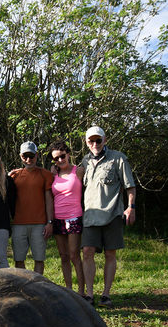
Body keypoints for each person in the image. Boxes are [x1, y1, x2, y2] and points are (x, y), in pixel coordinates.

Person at [78, 126, 137, 307]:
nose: (95, 144)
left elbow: (130, 186)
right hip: (90, 215)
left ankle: (106, 294)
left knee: (110, 254)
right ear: (87, 143)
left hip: (112, 214)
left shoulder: (118, 158)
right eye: (91, 141)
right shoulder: (84, 161)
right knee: (87, 252)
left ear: (105, 140)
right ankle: (89, 294)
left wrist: (131, 207)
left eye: (98, 140)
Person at [9, 141, 54, 274]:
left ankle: (38, 288)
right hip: (18, 223)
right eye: (25, 156)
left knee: (39, 259)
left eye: (31, 156)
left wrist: (49, 222)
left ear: (37, 155)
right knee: (18, 259)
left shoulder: (45, 174)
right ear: (20, 156)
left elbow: (49, 199)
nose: (29, 160)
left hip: (39, 224)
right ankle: (22, 287)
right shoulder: (13, 175)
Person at [49, 140, 85, 296]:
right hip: (58, 219)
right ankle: (69, 290)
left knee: (74, 255)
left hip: (74, 217)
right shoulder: (53, 173)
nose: (59, 160)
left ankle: (82, 291)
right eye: (55, 158)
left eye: (62, 156)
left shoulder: (79, 171)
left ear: (68, 154)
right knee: (63, 256)